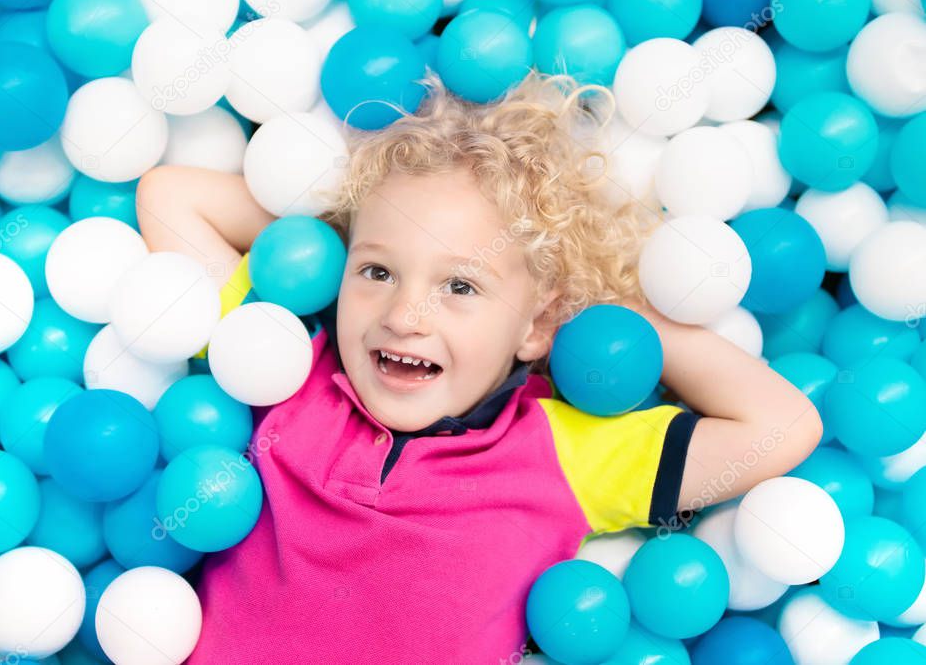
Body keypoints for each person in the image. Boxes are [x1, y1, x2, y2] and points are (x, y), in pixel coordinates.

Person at [135, 69, 822, 662]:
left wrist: (619, 322)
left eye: (458, 287)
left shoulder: (560, 452)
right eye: (378, 272)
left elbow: (781, 424)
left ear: (537, 326)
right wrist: (333, 242)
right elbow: (169, 197)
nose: (404, 314)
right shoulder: (281, 373)